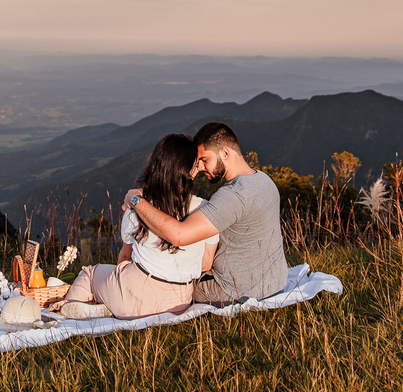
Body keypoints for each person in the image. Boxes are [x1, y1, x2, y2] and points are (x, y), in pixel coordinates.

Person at [54, 133, 219, 320]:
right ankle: (103, 306)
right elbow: (206, 264)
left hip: (134, 294)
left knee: (90, 273)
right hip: (179, 301)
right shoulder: (206, 210)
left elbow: (125, 256)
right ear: (188, 171)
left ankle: (66, 315)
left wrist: (117, 285)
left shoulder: (139, 208)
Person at [123, 122, 287, 306]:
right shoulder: (263, 179)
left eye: (204, 159)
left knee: (174, 287)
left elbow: (179, 235)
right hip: (275, 284)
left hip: (236, 292)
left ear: (225, 153)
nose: (200, 167)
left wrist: (136, 200)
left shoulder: (234, 195)